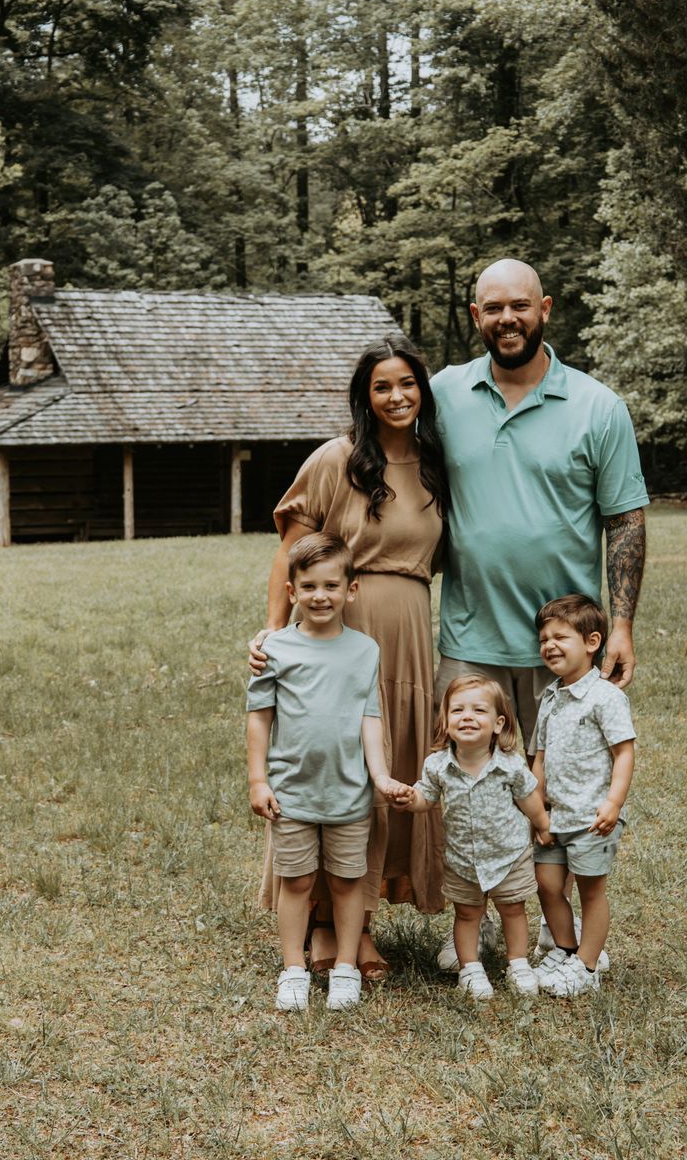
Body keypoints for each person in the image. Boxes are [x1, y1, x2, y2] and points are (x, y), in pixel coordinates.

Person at [427, 257, 649, 970]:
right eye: (493, 308)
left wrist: (619, 624)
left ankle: (571, 938)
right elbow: (392, 466)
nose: (507, 320)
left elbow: (627, 519)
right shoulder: (443, 396)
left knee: (559, 791)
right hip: (470, 633)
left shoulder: (595, 405)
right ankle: (479, 922)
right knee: (473, 788)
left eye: (520, 306)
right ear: (475, 316)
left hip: (563, 648)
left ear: (545, 308)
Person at [251, 335, 449, 976]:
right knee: (337, 775)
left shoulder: (433, 463)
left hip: (410, 634)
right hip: (339, 635)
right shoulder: (337, 459)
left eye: (408, 384)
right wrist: (273, 633)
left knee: (383, 774)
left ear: (424, 391)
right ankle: (329, 928)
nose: (397, 397)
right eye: (382, 386)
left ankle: (357, 919)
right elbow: (291, 551)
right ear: (365, 397)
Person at [246, 533, 401, 1011]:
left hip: (349, 793)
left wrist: (379, 776)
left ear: (350, 590)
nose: (320, 595)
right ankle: (293, 967)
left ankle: (346, 966)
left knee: (346, 881)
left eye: (331, 585)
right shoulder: (276, 649)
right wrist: (258, 779)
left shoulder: (365, 650)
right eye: (309, 586)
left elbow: (369, 716)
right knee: (295, 881)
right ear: (292, 591)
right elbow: (260, 716)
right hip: (292, 790)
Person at [387, 673, 555, 1000]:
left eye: (479, 710)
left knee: (513, 909)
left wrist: (543, 824)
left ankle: (518, 963)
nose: (467, 717)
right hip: (463, 859)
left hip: (509, 856)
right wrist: (411, 801)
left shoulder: (509, 764)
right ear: (446, 721)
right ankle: (471, 968)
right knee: (466, 914)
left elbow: (529, 798)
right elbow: (427, 798)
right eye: (458, 710)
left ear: (498, 724)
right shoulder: (437, 766)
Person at [527, 593, 636, 997]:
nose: (549, 646)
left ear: (592, 643)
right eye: (543, 639)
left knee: (591, 891)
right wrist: (538, 811)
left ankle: (587, 966)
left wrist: (613, 803)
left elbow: (623, 753)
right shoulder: (550, 697)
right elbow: (538, 757)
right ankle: (566, 948)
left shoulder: (606, 697)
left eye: (560, 637)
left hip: (593, 817)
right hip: (554, 817)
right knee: (547, 884)